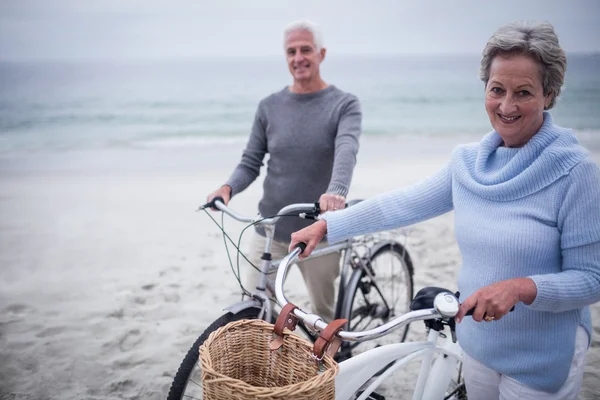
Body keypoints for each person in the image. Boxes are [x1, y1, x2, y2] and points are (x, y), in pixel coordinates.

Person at [290, 21, 600, 399]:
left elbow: (590, 279)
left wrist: (521, 288)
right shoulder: (468, 163)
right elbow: (402, 204)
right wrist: (327, 227)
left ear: (549, 94)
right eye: (497, 90)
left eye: (524, 93)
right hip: (478, 344)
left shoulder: (575, 172)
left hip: (542, 357)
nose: (506, 106)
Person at [206, 20, 362, 322]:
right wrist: (228, 188)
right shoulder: (269, 106)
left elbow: (347, 149)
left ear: (321, 54)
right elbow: (251, 160)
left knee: (324, 319)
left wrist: (337, 191)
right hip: (270, 229)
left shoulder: (344, 104)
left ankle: (332, 366)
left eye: (306, 49)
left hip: (319, 231)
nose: (298, 58)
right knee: (252, 308)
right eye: (291, 51)